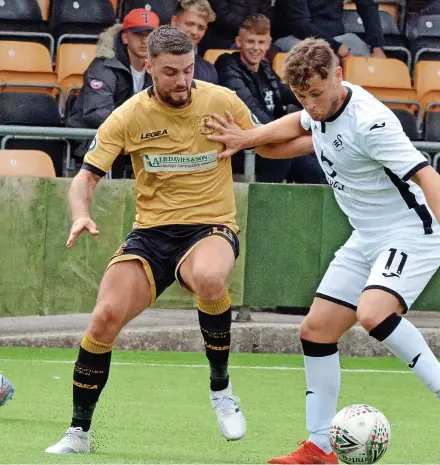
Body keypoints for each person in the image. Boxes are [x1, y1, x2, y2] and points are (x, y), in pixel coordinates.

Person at [206, 38, 440, 464]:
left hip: (411, 232)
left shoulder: (371, 123)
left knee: (373, 313)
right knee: (315, 331)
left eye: (316, 94)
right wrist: (250, 138)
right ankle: (320, 446)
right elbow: (298, 126)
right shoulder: (318, 108)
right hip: (365, 236)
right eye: (301, 96)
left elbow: (429, 177)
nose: (311, 105)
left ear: (338, 75)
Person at [45, 25, 265, 454]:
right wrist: (81, 214)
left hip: (210, 225)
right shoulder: (128, 116)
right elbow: (85, 178)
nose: (181, 81)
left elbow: (267, 138)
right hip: (151, 233)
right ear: (150, 67)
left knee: (209, 277)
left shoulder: (220, 99)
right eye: (170, 73)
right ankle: (79, 433)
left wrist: (273, 136)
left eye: (187, 70)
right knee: (105, 316)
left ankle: (221, 390)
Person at [215, 13, 324, 183]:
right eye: (251, 41)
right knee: (282, 158)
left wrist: (317, 98)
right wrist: (283, 133)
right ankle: (262, 208)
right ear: (239, 42)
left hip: (272, 140)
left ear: (268, 44)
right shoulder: (228, 66)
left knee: (316, 168)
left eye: (261, 42)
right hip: (243, 145)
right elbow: (250, 109)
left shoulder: (265, 68)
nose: (255, 48)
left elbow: (287, 92)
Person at [65, 8, 159, 177]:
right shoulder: (104, 66)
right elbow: (97, 113)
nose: (145, 40)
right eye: (138, 34)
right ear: (125, 37)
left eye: (150, 34)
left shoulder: (161, 68)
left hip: (136, 137)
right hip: (95, 138)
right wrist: (142, 126)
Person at [272, 0, 386, 59]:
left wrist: (377, 46)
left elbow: (367, 5)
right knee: (325, 61)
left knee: (369, 61)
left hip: (335, 37)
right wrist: (335, 47)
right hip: (296, 37)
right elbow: (301, 25)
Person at [198, 0, 274, 54]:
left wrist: (256, 30)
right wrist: (247, 30)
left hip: (254, 34)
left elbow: (266, 13)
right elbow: (222, 14)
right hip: (224, 37)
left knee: (273, 53)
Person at [171, 0, 219, 84]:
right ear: (174, 21)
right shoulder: (151, 58)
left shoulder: (208, 71)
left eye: (201, 28)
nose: (194, 32)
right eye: (189, 24)